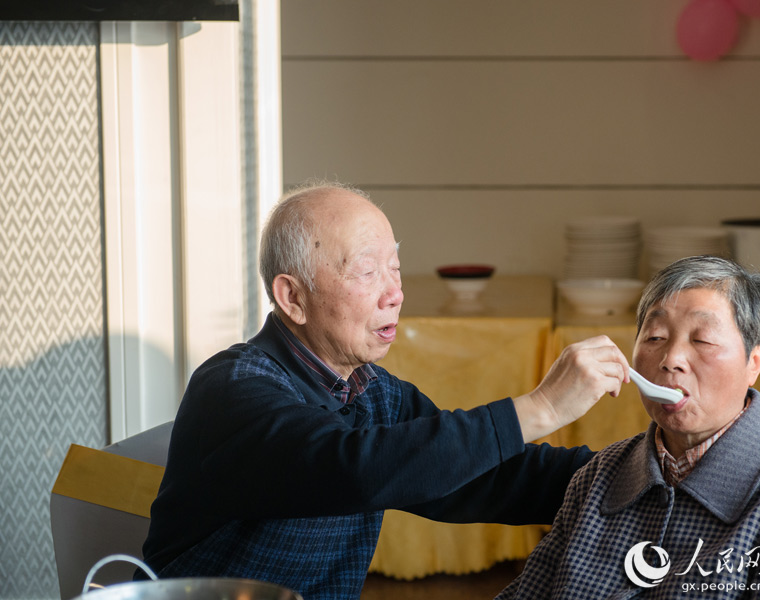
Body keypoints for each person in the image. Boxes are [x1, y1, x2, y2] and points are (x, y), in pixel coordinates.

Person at [140, 181, 632, 600]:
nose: (394, 293)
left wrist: (638, 473)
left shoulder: (372, 391)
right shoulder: (233, 389)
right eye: (366, 271)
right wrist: (542, 407)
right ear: (292, 296)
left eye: (395, 268)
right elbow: (352, 468)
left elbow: (483, 475)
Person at [496, 255, 760, 600]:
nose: (671, 360)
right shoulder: (598, 476)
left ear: (754, 361)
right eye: (655, 337)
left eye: (703, 340)